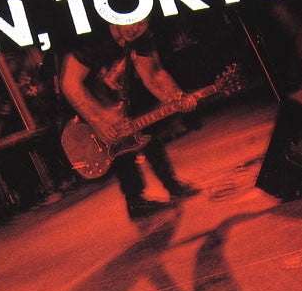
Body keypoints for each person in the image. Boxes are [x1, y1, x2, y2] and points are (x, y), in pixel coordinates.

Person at [60, 21, 200, 219]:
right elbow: (70, 84)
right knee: (119, 150)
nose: (135, 29)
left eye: (142, 23)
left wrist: (177, 97)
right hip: (88, 104)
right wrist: (96, 119)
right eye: (130, 23)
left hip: (121, 101)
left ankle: (171, 185)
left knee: (147, 133)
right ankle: (135, 200)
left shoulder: (141, 38)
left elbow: (154, 75)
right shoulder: (93, 40)